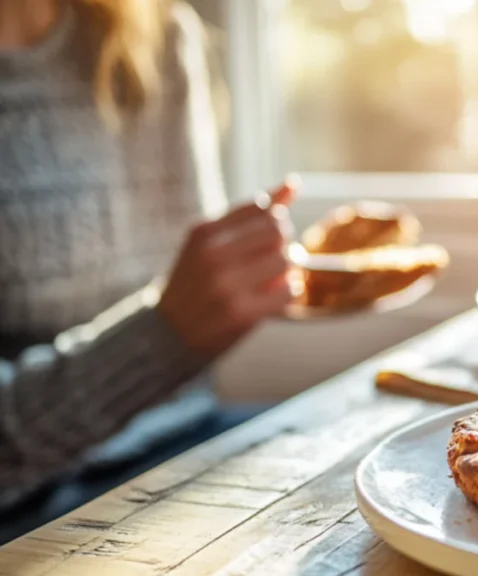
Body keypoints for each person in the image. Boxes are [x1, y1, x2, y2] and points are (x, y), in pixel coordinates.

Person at [0, 0, 295, 518]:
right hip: (25, 501)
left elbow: (190, 309)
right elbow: (173, 326)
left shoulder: (156, 37)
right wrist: (165, 336)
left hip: (185, 441)